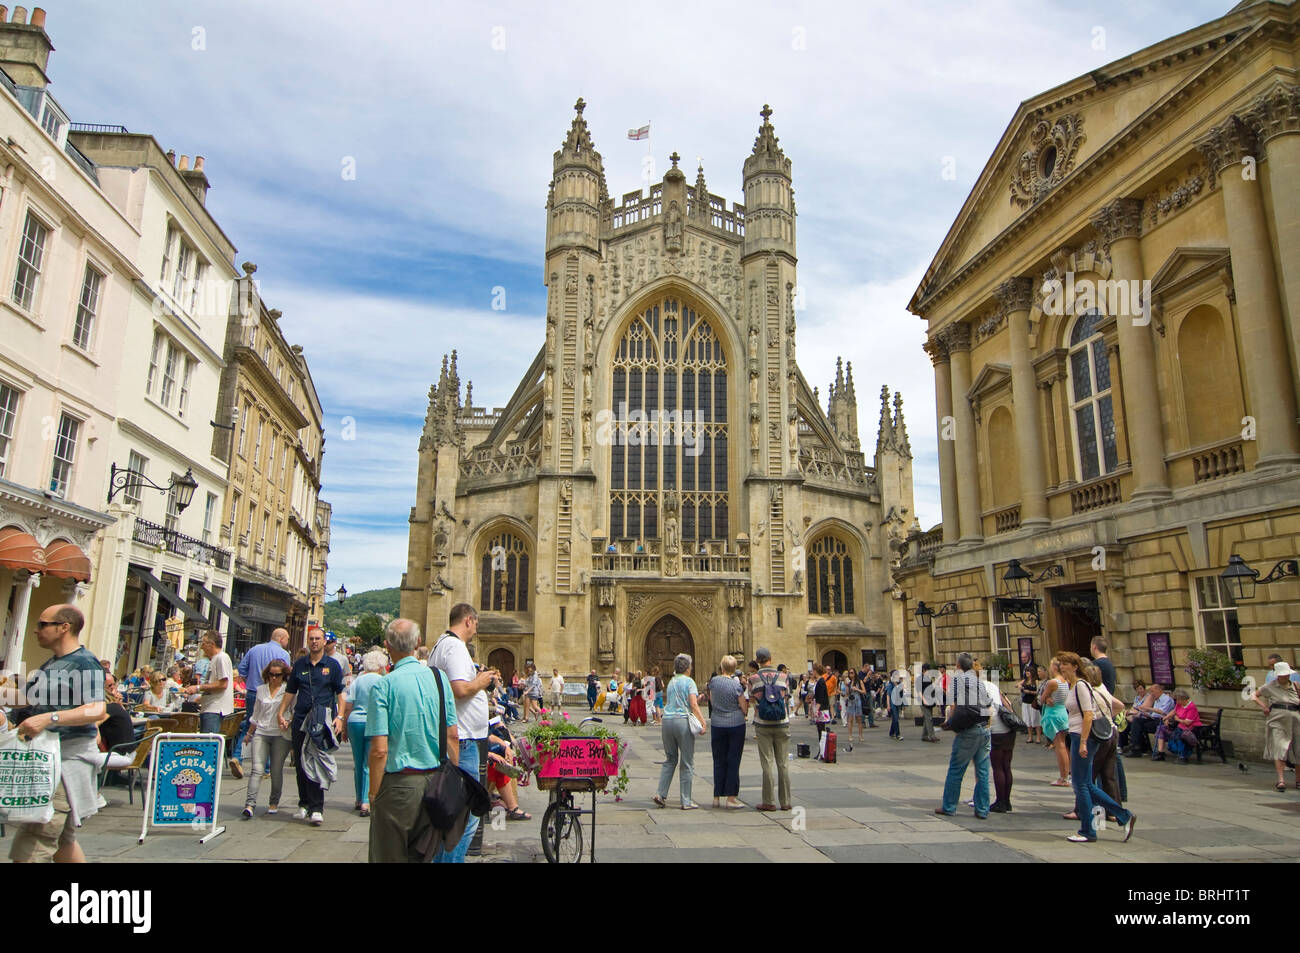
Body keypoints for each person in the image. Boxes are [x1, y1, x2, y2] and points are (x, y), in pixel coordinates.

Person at [6, 604, 106, 864]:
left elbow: (97, 709)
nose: (35, 630)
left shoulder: (84, 662)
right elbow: (28, 700)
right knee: (62, 841)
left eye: (42, 624)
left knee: (35, 842)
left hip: (62, 762)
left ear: (64, 627)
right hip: (50, 760)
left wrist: (48, 719)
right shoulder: (53, 663)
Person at [367, 619, 460, 863]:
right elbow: (452, 736)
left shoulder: (383, 685)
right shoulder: (440, 680)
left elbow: (379, 750)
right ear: (418, 643)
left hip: (399, 785)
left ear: (387, 646)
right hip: (435, 785)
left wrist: (374, 794)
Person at [429, 602, 495, 862]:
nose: (476, 629)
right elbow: (459, 690)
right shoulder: (455, 647)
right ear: (468, 620)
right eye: (476, 623)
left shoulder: (442, 645)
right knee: (463, 818)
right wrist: (481, 681)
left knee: (452, 814)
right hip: (463, 739)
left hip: (460, 737)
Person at [1057, 652, 1135, 843]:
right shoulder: (1073, 685)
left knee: (1080, 785)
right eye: (1060, 664)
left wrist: (1083, 741)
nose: (1061, 667)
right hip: (1077, 735)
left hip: (1084, 738)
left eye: (1065, 664)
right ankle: (1123, 815)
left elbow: (1089, 715)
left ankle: (1088, 831)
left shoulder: (1081, 685)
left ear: (1075, 667)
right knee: (1086, 784)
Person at [277, 626, 345, 826]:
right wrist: (281, 712)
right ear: (308, 642)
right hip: (300, 718)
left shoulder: (332, 666)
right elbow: (290, 691)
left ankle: (317, 808)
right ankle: (304, 803)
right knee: (299, 762)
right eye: (311, 639)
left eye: (318, 639)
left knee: (316, 761)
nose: (314, 642)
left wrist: (340, 716)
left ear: (324, 642)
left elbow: (340, 692)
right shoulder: (299, 665)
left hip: (321, 720)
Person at [935, 653, 993, 818]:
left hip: (968, 730)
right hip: (984, 729)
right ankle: (982, 810)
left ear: (958, 666)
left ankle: (949, 806)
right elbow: (987, 704)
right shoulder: (978, 681)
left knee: (956, 769)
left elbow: (953, 705)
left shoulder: (957, 680)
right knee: (982, 771)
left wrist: (952, 723)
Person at [232, 627, 291, 778]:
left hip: (253, 692)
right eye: (287, 640)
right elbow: (286, 676)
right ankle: (266, 768)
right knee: (271, 727)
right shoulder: (283, 654)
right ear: (281, 639)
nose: (287, 643)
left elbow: (242, 669)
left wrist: (250, 682)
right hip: (274, 694)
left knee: (249, 724)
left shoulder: (254, 649)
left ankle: (237, 756)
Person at [653, 652, 706, 810]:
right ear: (688, 668)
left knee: (670, 759)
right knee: (687, 762)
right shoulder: (689, 682)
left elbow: (678, 701)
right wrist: (703, 722)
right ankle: (686, 800)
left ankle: (660, 794)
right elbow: (692, 705)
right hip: (682, 721)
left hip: (667, 721)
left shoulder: (672, 682)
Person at [243, 659, 293, 817]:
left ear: (283, 676)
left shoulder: (288, 691)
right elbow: (256, 715)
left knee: (276, 769)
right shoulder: (261, 690)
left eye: (277, 675)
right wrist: (249, 733)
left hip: (280, 734)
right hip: (261, 732)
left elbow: (293, 711)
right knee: (257, 769)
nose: (273, 678)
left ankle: (274, 801)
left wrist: (288, 721)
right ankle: (249, 804)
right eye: (271, 674)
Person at [342, 650, 387, 816]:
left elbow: (348, 706)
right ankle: (367, 802)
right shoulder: (383, 681)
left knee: (358, 762)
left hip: (355, 722)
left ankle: (359, 798)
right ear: (381, 665)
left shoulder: (358, 681)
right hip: (374, 723)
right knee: (370, 763)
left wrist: (345, 727)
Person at [748, 646, 792, 812]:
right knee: (783, 764)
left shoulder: (753, 678)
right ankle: (786, 801)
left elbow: (752, 699)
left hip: (763, 724)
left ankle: (769, 801)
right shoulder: (783, 676)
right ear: (770, 659)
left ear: (758, 661)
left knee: (767, 763)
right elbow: (786, 697)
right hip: (782, 723)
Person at [707, 655, 748, 809]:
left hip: (717, 724)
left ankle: (716, 797)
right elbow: (744, 708)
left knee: (718, 760)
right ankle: (731, 798)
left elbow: (712, 700)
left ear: (722, 667)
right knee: (733, 761)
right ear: (734, 669)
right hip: (735, 725)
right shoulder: (736, 685)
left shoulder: (713, 682)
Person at [1252, 661, 1299, 792]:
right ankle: (1281, 780)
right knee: (1280, 748)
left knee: (1298, 749)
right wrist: (1264, 707)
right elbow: (1254, 695)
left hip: (1295, 719)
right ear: (1278, 675)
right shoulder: (1270, 686)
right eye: (1283, 675)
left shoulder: (1295, 685)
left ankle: (1298, 780)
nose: (1286, 677)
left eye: (1287, 674)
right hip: (1277, 719)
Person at [181, 630, 233, 738]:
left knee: (209, 744)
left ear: (212, 644)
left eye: (204, 643)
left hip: (214, 709)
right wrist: (200, 698)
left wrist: (198, 688)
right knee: (210, 744)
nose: (201, 647)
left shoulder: (220, 658)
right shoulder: (215, 659)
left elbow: (223, 684)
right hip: (209, 707)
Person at [1039, 659, 1071, 786]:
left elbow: (1041, 698)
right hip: (1062, 711)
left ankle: (1063, 778)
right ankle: (1066, 775)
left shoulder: (1053, 682)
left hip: (1054, 714)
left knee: (1060, 747)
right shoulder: (1066, 681)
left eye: (1051, 665)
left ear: (1055, 668)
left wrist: (1045, 698)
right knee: (1063, 745)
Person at [1126, 682, 1175, 757]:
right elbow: (1153, 713)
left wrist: (1148, 708)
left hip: (1162, 721)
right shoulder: (1157, 699)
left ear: (1158, 690)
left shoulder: (1167, 699)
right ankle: (1136, 747)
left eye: (1152, 691)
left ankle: (1138, 747)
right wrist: (1146, 713)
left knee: (1138, 724)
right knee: (1137, 721)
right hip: (1153, 719)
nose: (1151, 694)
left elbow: (1163, 712)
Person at [1153, 688, 1201, 764]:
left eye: (1177, 700)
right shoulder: (1179, 704)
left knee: (1179, 734)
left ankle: (1182, 756)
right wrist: (1166, 718)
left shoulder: (1191, 707)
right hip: (1180, 726)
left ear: (1183, 698)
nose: (1176, 702)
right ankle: (1160, 753)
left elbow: (1187, 722)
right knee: (1161, 728)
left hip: (1190, 729)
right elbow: (1174, 711)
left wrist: (1177, 719)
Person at [988, 686, 1016, 813]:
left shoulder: (980, 687)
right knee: (1006, 766)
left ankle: (1000, 801)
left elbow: (987, 711)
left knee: (997, 767)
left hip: (997, 729)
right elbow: (1008, 703)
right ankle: (1007, 801)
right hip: (1009, 728)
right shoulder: (994, 687)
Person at [1018, 665, 1041, 744]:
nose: (1027, 672)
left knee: (1036, 720)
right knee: (1028, 720)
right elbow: (1017, 685)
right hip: (1025, 703)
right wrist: (1020, 686)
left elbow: (1038, 692)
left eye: (1028, 671)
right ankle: (1030, 737)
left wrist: (1030, 692)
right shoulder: (1024, 681)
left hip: (1033, 703)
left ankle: (1038, 737)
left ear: (1032, 672)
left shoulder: (1036, 681)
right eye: (1026, 671)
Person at [843, 668, 865, 742]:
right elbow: (847, 693)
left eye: (852, 673)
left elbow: (864, 691)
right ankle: (850, 735)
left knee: (859, 719)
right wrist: (846, 686)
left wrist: (857, 689)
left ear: (855, 673)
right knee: (850, 719)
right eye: (850, 673)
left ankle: (860, 735)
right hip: (850, 700)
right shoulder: (848, 682)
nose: (851, 675)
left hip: (857, 699)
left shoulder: (859, 681)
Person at [919, 663, 939, 742]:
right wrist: (923, 700)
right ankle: (932, 736)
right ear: (924, 670)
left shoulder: (928, 678)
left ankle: (924, 735)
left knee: (927, 718)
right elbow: (919, 691)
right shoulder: (920, 679)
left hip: (930, 700)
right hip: (924, 701)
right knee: (929, 718)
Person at [887, 669, 905, 741]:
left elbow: (901, 694)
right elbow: (888, 694)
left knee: (895, 718)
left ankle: (891, 732)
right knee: (896, 718)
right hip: (892, 703)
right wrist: (888, 705)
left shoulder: (899, 683)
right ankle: (898, 734)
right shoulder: (890, 684)